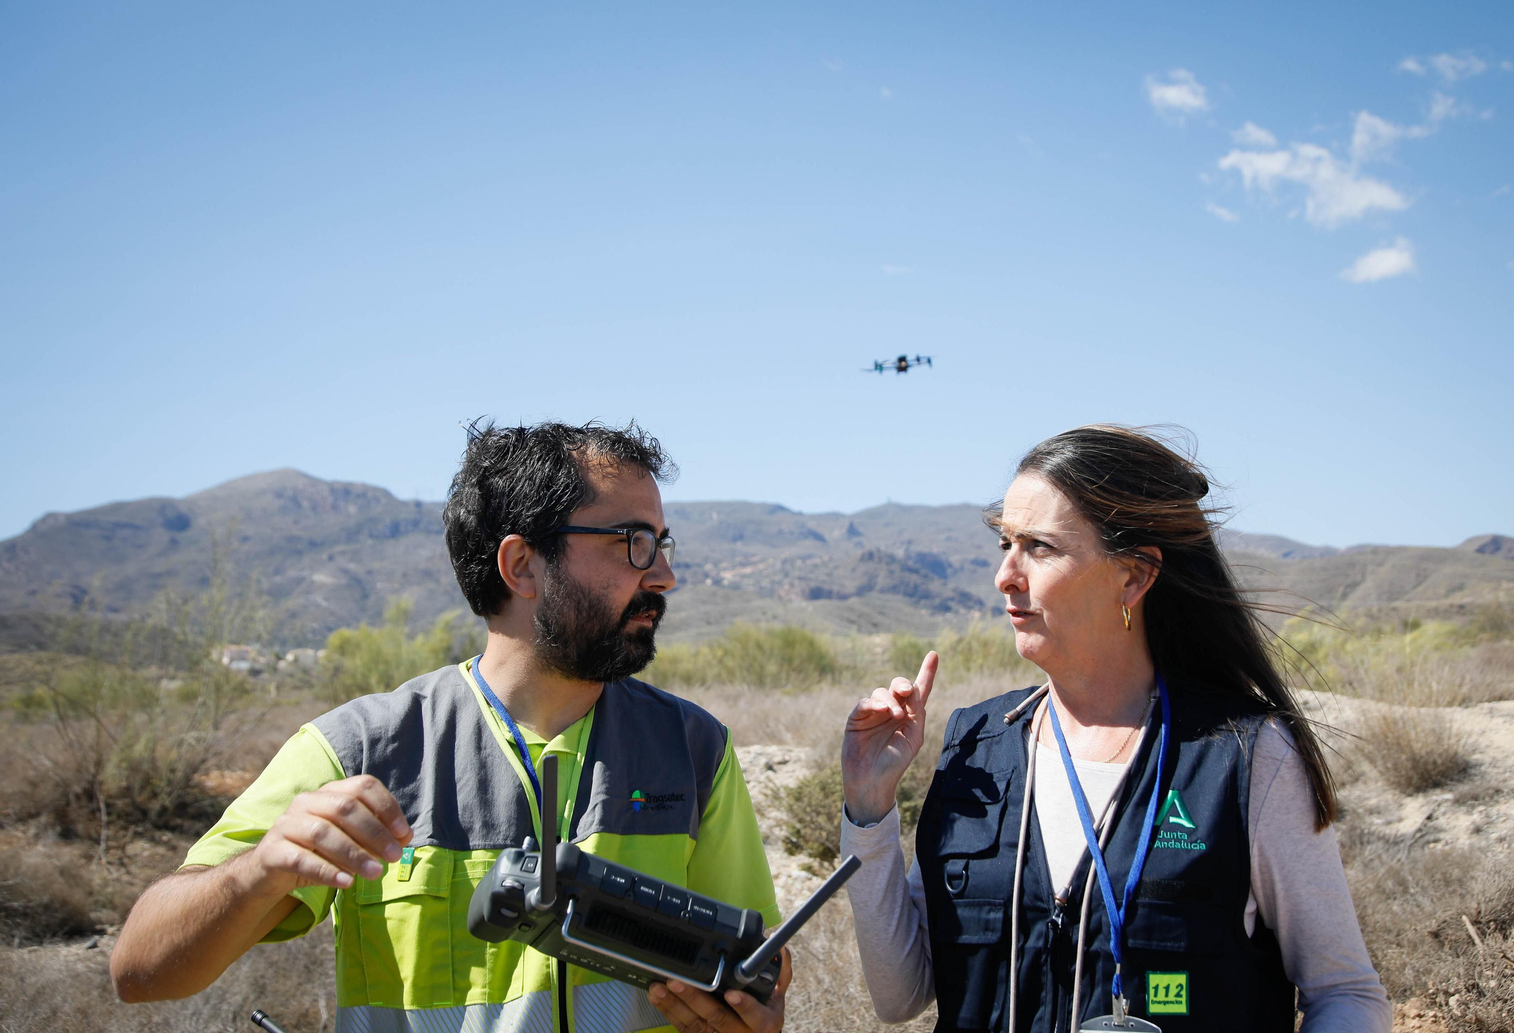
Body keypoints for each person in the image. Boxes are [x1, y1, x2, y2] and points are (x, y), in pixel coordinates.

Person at [111, 420, 789, 1033]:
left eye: (662, 543)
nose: (664, 575)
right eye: (633, 544)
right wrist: (258, 871)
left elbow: (761, 976)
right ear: (523, 565)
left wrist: (755, 1018)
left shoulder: (694, 750)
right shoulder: (359, 750)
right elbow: (141, 971)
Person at [839, 425, 1391, 1033]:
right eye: (1005, 544)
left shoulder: (1242, 756)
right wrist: (869, 809)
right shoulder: (977, 743)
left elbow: (1345, 993)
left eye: (1040, 548)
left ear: (1133, 577)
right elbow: (902, 996)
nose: (1006, 575)